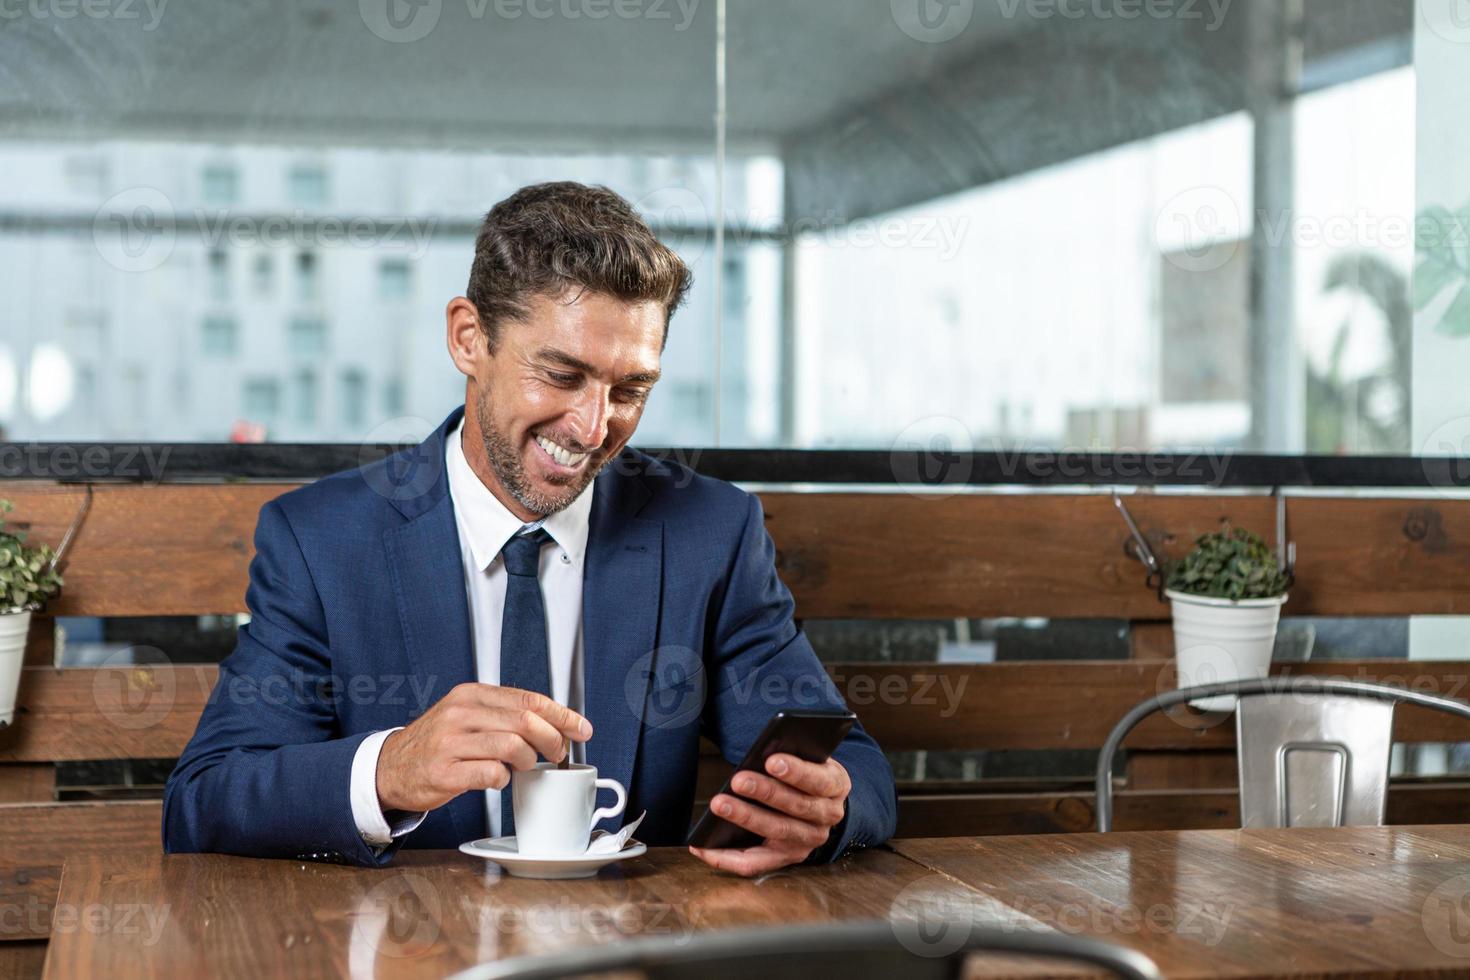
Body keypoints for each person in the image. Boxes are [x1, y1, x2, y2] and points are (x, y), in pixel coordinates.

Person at [163, 181, 896, 875]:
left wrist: (822, 810)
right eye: (563, 374)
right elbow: (205, 801)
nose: (592, 427)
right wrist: (390, 768)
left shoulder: (710, 531)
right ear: (468, 339)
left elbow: (855, 770)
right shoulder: (321, 541)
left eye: (631, 389)